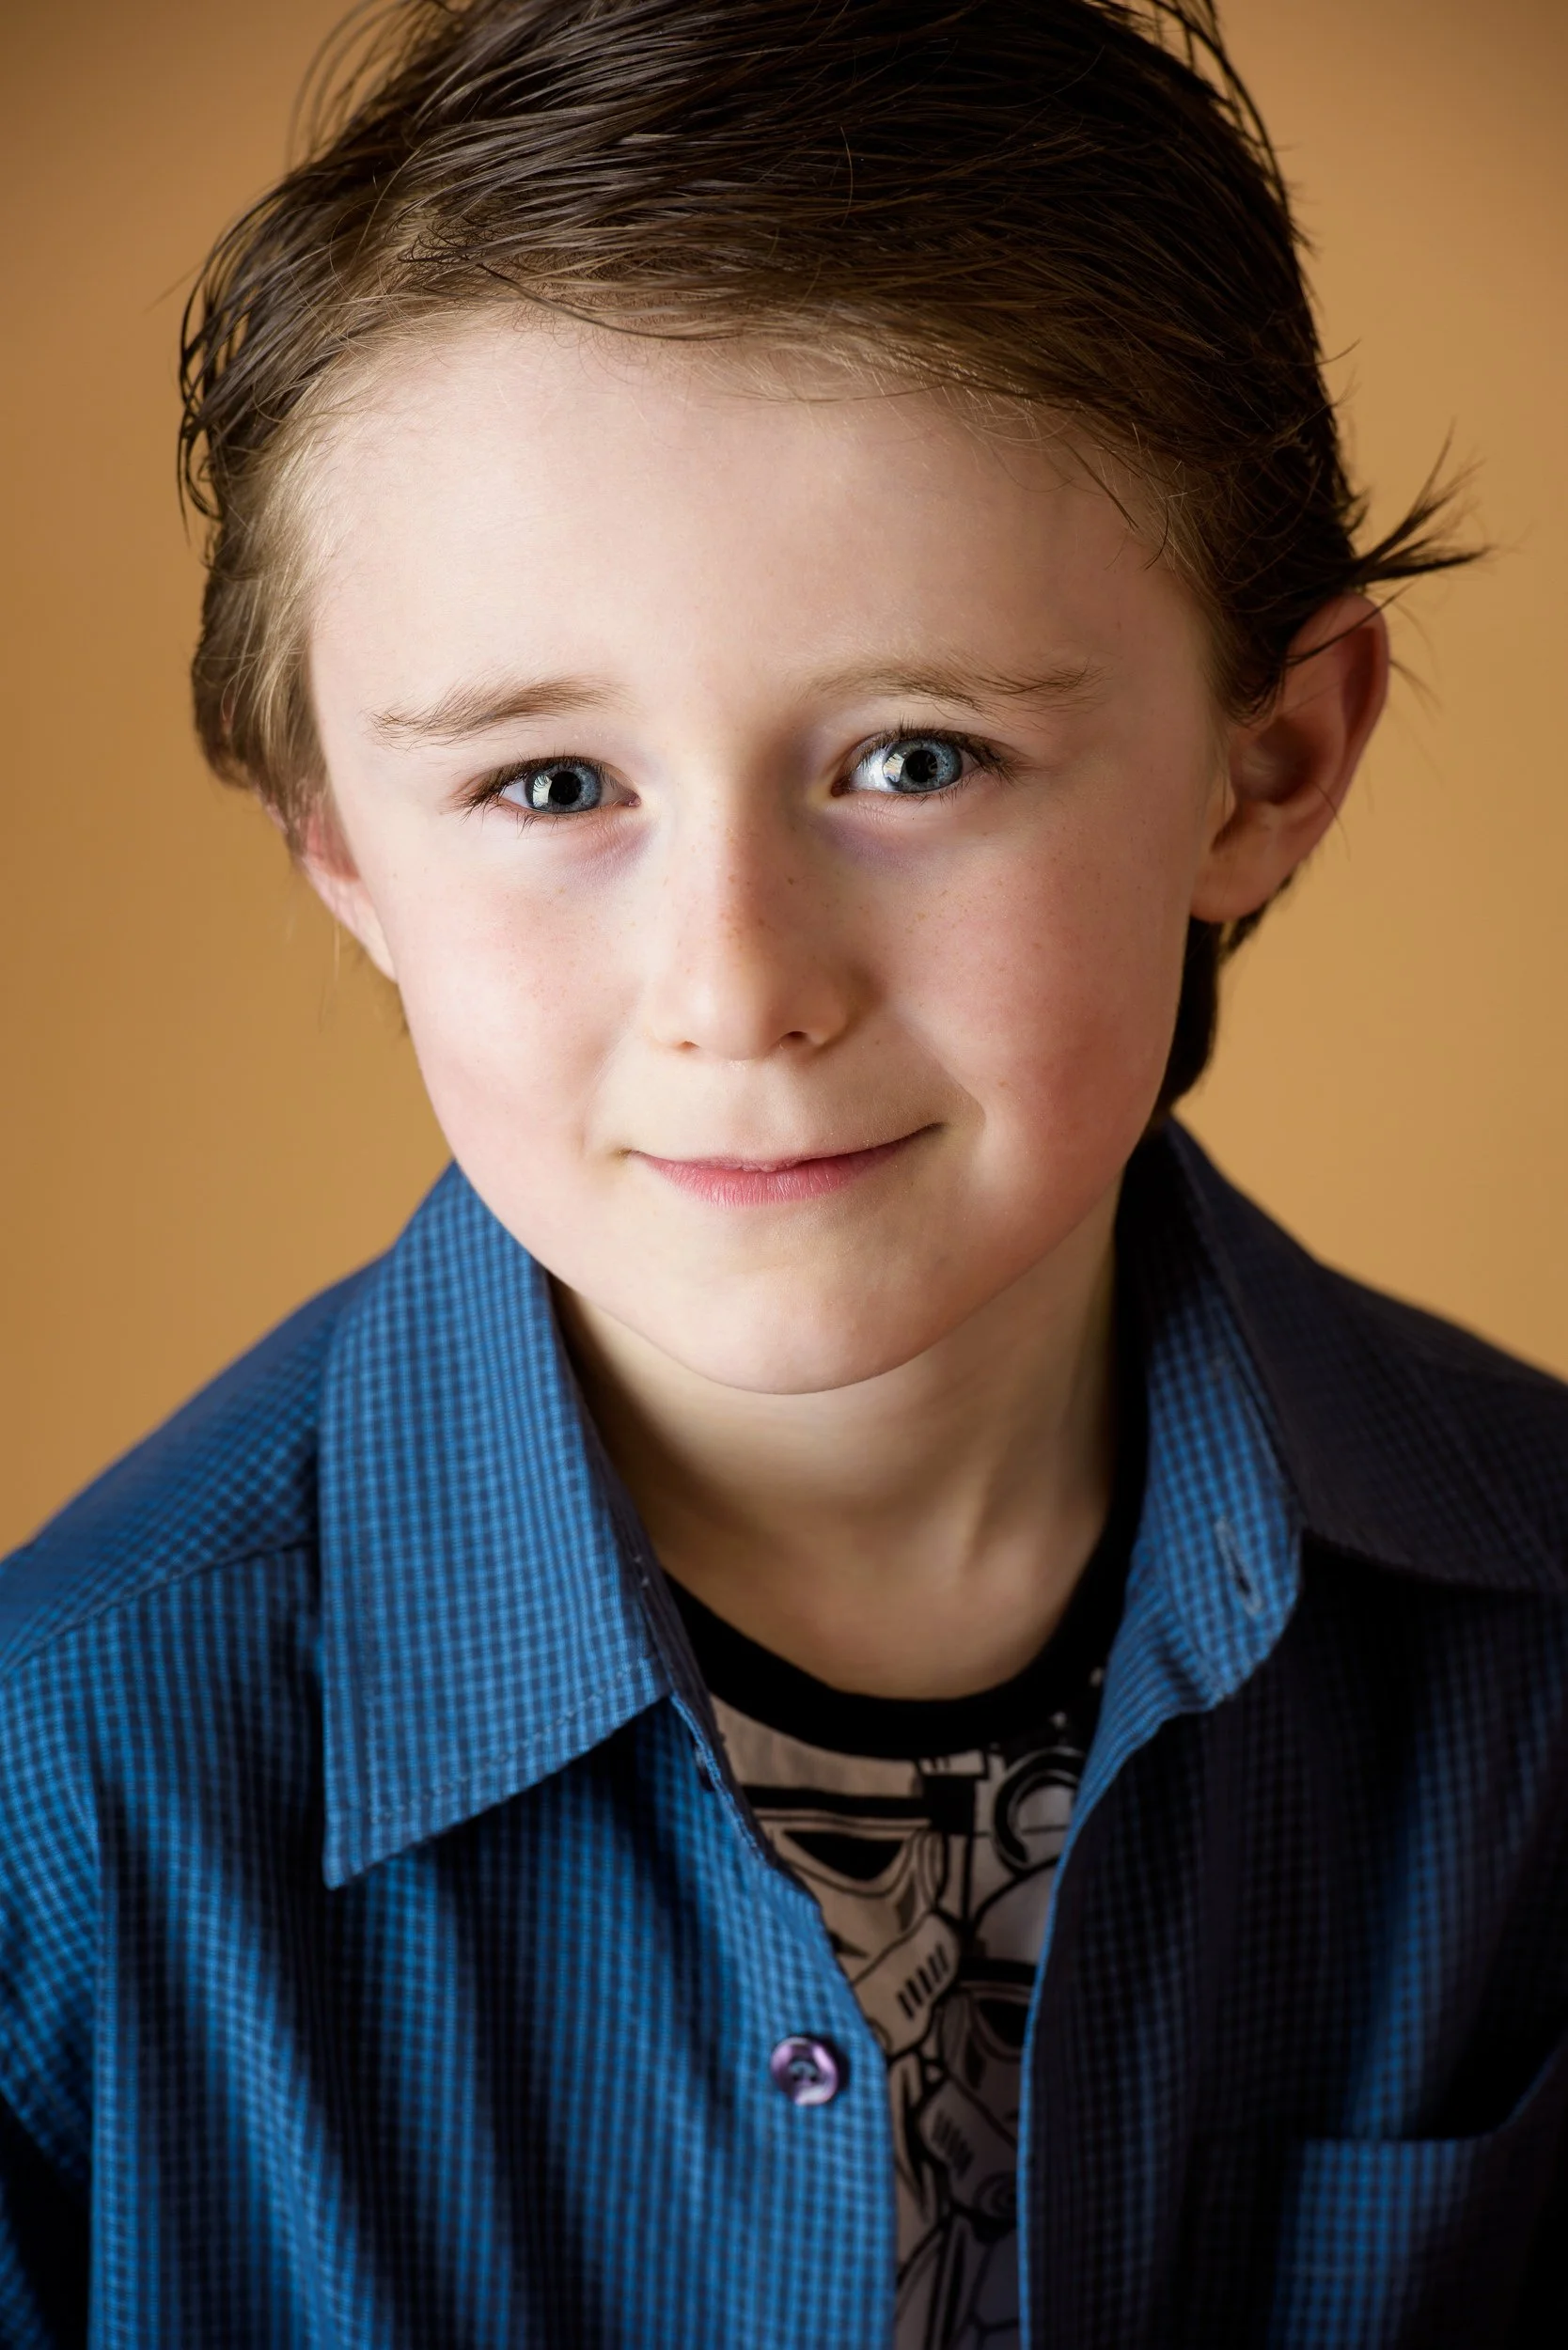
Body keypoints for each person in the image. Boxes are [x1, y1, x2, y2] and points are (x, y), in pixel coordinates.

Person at [3, 0, 1565, 2342]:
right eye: (550, 786)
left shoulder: (1537, 1662)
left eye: (917, 757)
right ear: (340, 838)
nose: (739, 987)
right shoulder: (68, 1804)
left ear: (1267, 761)